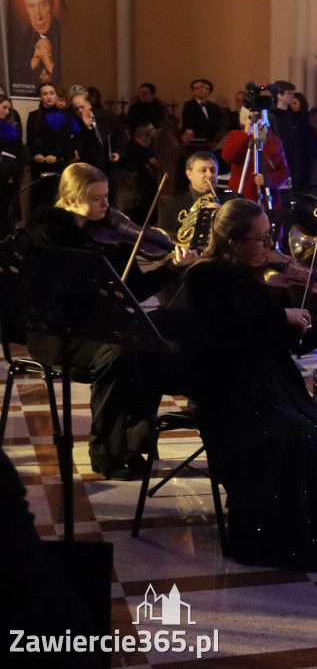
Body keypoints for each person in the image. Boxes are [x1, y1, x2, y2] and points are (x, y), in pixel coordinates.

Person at [183, 198, 317, 569]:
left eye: (270, 237)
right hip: (229, 388)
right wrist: (280, 316)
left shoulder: (264, 278)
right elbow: (220, 336)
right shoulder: (204, 276)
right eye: (261, 239)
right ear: (233, 241)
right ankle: (273, 542)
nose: (270, 247)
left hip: (273, 382)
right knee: (293, 434)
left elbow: (296, 343)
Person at [23, 163, 196, 479]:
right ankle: (104, 451)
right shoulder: (46, 231)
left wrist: (173, 267)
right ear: (71, 198)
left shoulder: (111, 235)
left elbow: (136, 289)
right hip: (60, 331)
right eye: (96, 199)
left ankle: (134, 440)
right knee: (120, 352)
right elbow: (48, 289)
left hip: (105, 328)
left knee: (158, 333)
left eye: (106, 196)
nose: (107, 205)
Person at [159, 150, 237, 244]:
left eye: (213, 170)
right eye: (203, 170)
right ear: (189, 174)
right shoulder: (171, 206)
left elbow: (240, 233)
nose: (209, 175)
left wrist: (223, 216)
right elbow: (164, 239)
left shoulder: (233, 199)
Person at [221, 108, 289, 205]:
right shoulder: (237, 135)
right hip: (243, 197)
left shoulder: (275, 141)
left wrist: (267, 179)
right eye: (252, 111)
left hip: (268, 198)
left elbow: (284, 172)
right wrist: (246, 134)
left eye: (260, 111)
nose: (257, 114)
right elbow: (227, 157)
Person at [25, 82, 75, 211]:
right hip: (39, 163)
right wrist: (36, 153)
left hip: (57, 162)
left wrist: (55, 154)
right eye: (45, 94)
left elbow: (65, 139)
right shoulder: (34, 116)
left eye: (52, 93)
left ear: (56, 96)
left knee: (56, 197)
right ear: (40, 97)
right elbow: (31, 138)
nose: (49, 97)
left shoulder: (65, 115)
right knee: (38, 199)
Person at [11, 0, 60, 91]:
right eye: (31, 6)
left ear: (52, 4)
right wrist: (32, 64)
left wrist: (50, 64)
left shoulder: (66, 35)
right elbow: (12, 72)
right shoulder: (25, 35)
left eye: (43, 5)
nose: (38, 16)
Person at [0, 96, 26, 237]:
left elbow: (21, 154)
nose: (7, 111)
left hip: (9, 179)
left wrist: (14, 174)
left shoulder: (12, 129)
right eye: (4, 107)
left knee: (7, 215)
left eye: (9, 109)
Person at [180, 78, 225, 143]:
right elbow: (187, 124)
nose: (200, 90)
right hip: (195, 141)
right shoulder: (189, 105)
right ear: (193, 91)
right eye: (197, 89)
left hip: (212, 141)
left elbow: (217, 124)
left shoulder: (214, 106)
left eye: (202, 88)